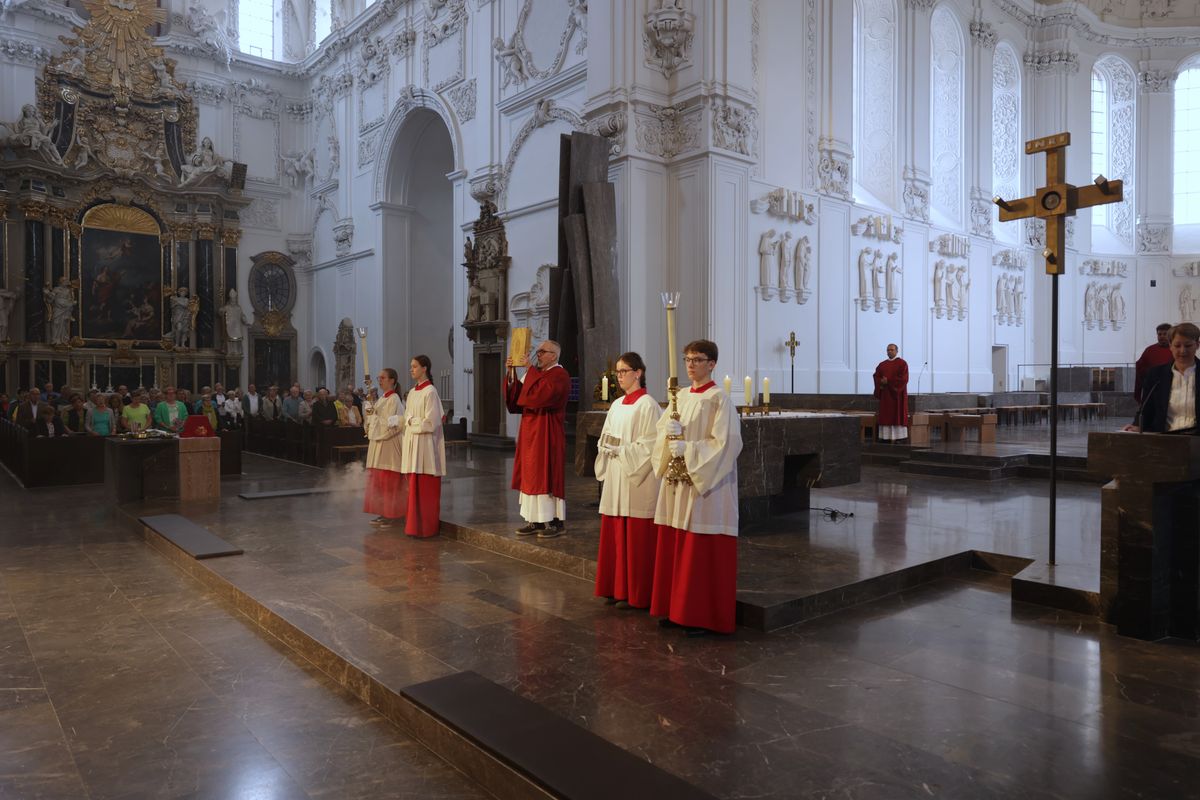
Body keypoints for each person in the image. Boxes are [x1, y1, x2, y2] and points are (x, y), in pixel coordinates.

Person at [651, 339, 742, 636]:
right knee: (677, 544)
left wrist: (687, 448)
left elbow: (726, 444)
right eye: (687, 358)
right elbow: (661, 436)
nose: (690, 364)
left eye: (697, 359)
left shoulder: (719, 400)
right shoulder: (680, 396)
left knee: (698, 550)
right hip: (679, 484)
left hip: (706, 485)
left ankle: (699, 615)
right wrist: (668, 433)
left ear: (712, 363)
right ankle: (675, 609)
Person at [594, 352, 663, 610]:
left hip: (636, 477)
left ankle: (636, 592)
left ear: (638, 373)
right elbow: (606, 435)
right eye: (618, 372)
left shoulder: (648, 405)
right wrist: (606, 446)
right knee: (615, 532)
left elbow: (651, 444)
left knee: (635, 537)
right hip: (616, 473)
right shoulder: (616, 404)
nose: (620, 376)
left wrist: (622, 450)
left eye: (624, 371)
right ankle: (616, 587)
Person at [504, 340, 571, 538]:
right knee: (531, 476)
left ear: (554, 355)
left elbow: (542, 395)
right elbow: (517, 399)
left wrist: (529, 369)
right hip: (530, 433)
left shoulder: (560, 375)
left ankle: (552, 522)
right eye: (538, 351)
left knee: (545, 475)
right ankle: (534, 521)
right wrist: (511, 373)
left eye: (543, 351)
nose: (538, 354)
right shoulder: (537, 374)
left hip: (547, 433)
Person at [400, 355, 446, 538]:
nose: (411, 369)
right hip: (413, 445)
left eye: (414, 366)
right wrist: (407, 421)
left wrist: (410, 420)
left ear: (424, 368)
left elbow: (431, 423)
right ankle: (414, 527)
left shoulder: (430, 392)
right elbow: (407, 419)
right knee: (413, 489)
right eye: (411, 366)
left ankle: (426, 528)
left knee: (425, 490)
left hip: (426, 447)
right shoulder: (412, 392)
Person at [1126, 322, 1200, 434]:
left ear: (1197, 345)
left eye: (1188, 345)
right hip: (1164, 440)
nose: (1182, 351)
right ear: (1170, 346)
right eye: (1177, 345)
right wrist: (1138, 425)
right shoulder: (1156, 375)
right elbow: (1146, 408)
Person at [363, 369, 406, 527]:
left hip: (389, 444)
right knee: (380, 481)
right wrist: (369, 409)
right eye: (378, 378)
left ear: (392, 380)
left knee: (389, 481)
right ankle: (383, 512)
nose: (379, 380)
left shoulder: (394, 399)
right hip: (378, 445)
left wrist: (373, 415)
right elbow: (372, 422)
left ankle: (393, 514)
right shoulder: (382, 398)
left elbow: (390, 424)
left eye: (383, 378)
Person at [872, 343, 909, 442]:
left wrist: (889, 381)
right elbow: (876, 376)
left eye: (892, 350)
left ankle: (899, 438)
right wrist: (881, 381)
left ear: (897, 351)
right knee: (886, 415)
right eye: (888, 350)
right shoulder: (882, 365)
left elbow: (903, 379)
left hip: (897, 396)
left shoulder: (902, 364)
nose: (889, 351)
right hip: (886, 396)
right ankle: (885, 437)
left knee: (897, 415)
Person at [1134, 323, 1175, 403]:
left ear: (1171, 335)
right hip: (1152, 390)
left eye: (1165, 334)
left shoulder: (1176, 350)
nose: (1162, 336)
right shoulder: (1149, 350)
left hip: (1172, 389)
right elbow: (1140, 370)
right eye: (1159, 334)